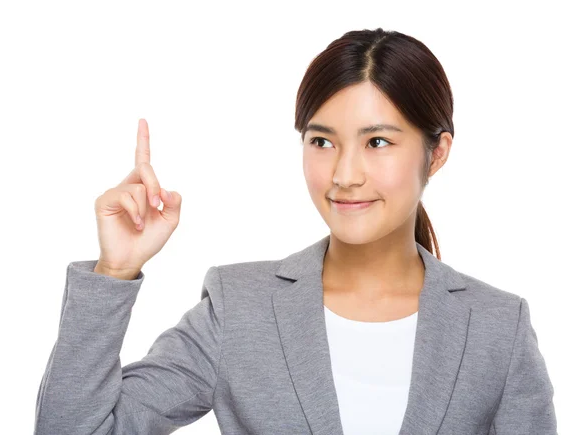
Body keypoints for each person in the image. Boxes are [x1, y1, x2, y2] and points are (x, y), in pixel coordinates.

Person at [33, 28, 557, 435]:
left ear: (437, 152)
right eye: (322, 141)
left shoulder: (498, 327)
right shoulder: (238, 306)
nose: (344, 174)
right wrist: (114, 272)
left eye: (377, 142)